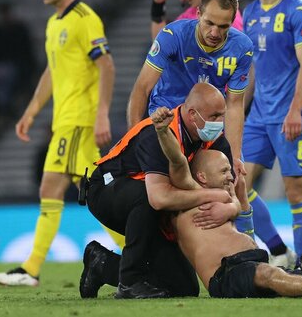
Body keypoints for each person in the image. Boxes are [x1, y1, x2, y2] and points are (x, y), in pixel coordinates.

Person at [78, 104, 302, 299]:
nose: (229, 174)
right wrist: (164, 133)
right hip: (227, 273)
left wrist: (234, 196)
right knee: (275, 277)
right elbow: (175, 165)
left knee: (181, 289)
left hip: (249, 256)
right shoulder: (183, 192)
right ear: (202, 176)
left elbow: (242, 205)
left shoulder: (221, 191)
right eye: (222, 169)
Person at [0, 0, 117, 287]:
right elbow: (52, 70)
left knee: (54, 187)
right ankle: (139, 256)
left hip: (79, 120)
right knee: (94, 194)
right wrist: (31, 110)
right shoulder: (54, 23)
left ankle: (31, 269)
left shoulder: (84, 18)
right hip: (65, 120)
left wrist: (102, 112)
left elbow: (106, 65)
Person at [82, 82, 241, 299]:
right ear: (193, 114)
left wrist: (230, 208)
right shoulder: (156, 134)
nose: (219, 123)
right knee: (146, 197)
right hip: (108, 191)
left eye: (222, 115)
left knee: (183, 288)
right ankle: (129, 282)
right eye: (214, 116)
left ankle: (101, 264)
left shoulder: (216, 142)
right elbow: (158, 198)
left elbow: (231, 189)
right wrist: (213, 196)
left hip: (155, 208)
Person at [241, 0, 302, 268]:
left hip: (291, 116)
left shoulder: (299, 11)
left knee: (297, 191)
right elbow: (253, 67)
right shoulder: (249, 13)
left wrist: (296, 110)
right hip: (258, 115)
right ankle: (277, 250)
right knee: (237, 186)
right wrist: (238, 110)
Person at [127, 0, 253, 179]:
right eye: (209, 23)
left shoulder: (242, 47)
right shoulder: (173, 36)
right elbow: (142, 88)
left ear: (232, 22)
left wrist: (235, 156)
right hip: (168, 119)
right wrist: (134, 139)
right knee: (172, 187)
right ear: (198, 13)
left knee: (232, 183)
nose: (214, 33)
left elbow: (235, 104)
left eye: (223, 27)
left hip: (208, 126)